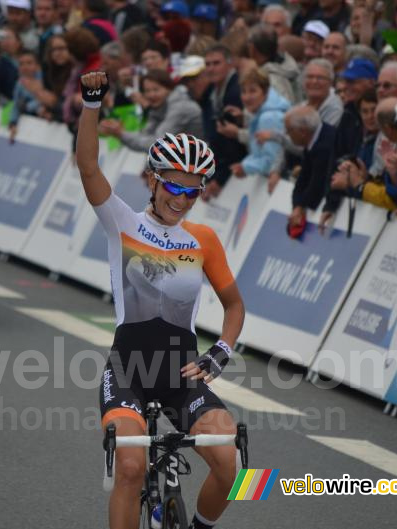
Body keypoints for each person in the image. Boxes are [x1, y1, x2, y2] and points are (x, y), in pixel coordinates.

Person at [76, 71, 244, 529]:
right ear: (151, 179)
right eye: (173, 185)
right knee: (130, 468)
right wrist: (92, 104)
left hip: (180, 374)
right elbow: (89, 167)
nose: (183, 198)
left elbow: (234, 306)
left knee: (231, 464)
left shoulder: (204, 239)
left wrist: (220, 353)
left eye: (193, 190)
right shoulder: (124, 224)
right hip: (128, 371)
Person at [99, 69, 204, 150]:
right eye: (147, 91)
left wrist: (121, 133)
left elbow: (158, 144)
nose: (151, 95)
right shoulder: (158, 108)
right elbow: (145, 136)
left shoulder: (180, 108)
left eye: (156, 90)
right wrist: (119, 132)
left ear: (169, 89)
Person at [201, 44, 247, 200]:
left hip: (239, 165)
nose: (211, 68)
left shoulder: (236, 91)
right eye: (207, 64)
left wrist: (219, 179)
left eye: (216, 63)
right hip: (223, 164)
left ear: (230, 63)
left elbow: (232, 143)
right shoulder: (212, 91)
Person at [228, 68, 289, 182]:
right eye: (243, 91)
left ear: (265, 92)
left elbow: (272, 161)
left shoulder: (269, 118)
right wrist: (244, 165)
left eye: (252, 91)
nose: (246, 97)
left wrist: (245, 167)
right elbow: (258, 155)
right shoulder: (258, 114)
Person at [287, 105, 337, 235]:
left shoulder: (325, 145)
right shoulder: (315, 137)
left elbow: (317, 185)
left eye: (289, 131)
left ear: (302, 131)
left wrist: (300, 206)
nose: (287, 135)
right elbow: (303, 177)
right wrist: (297, 204)